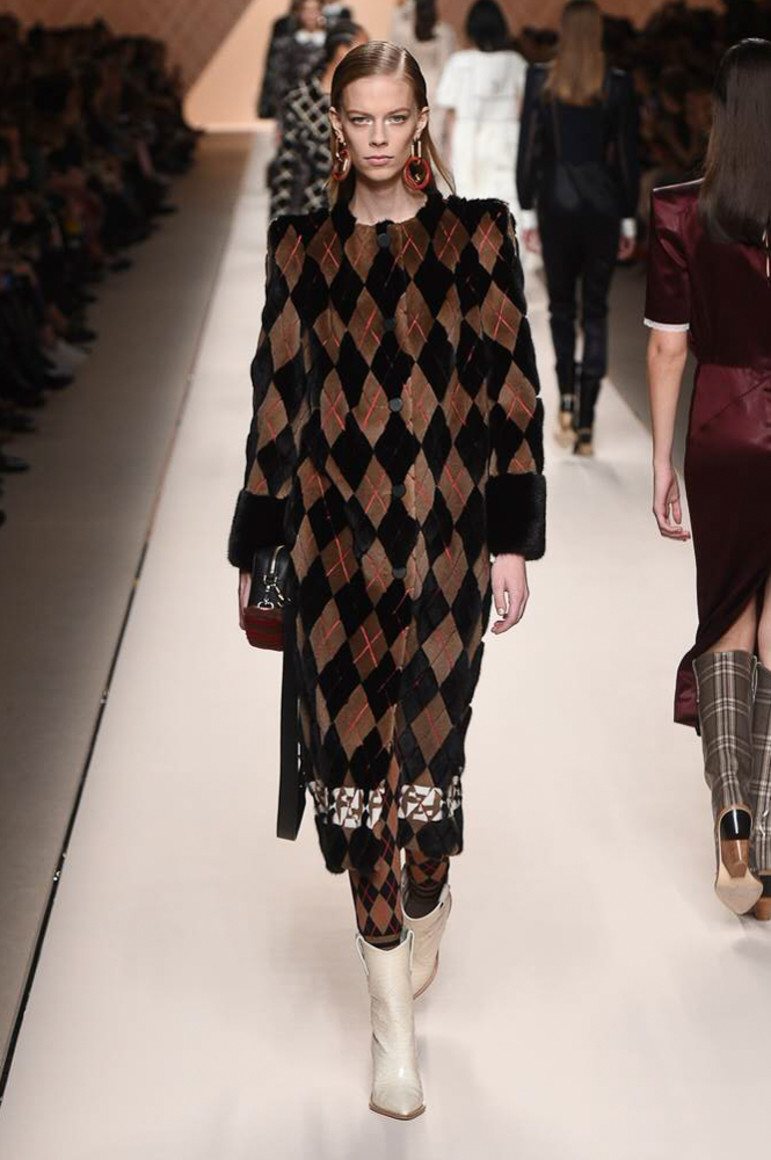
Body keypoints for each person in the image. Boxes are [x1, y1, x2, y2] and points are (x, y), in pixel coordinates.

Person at [228, 40, 545, 1120]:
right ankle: (392, 1036)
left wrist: (513, 539)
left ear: (419, 123)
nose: (374, 136)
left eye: (391, 118)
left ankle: (430, 893)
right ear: (337, 126)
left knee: (427, 780)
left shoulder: (476, 237)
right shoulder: (301, 248)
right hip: (335, 558)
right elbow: (276, 401)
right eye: (357, 118)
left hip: (448, 551)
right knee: (361, 787)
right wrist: (258, 544)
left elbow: (511, 393)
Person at [645, 38, 771, 921]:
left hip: (721, 422)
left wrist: (661, 459)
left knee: (726, 615)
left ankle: (730, 810)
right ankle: (767, 843)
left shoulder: (680, 209)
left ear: (718, 112)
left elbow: (666, 348)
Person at [516, 0, 639, 456]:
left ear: (565, 32)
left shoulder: (541, 80)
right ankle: (586, 423)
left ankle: (566, 402)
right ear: (598, 33)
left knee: (562, 308)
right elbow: (627, 156)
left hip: (555, 204)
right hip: (602, 206)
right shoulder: (617, 84)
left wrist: (527, 209)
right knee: (597, 311)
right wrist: (629, 216)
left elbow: (529, 148)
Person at [269, 21, 367, 218]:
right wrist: (279, 223)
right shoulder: (300, 100)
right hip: (311, 206)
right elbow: (286, 164)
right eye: (361, 48)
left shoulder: (368, 99)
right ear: (341, 49)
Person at [435, 0, 527, 208]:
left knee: (468, 206)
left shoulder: (458, 62)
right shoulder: (516, 62)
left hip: (467, 139)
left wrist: (447, 155)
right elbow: (523, 109)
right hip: (506, 137)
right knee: (506, 205)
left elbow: (450, 116)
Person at [390, 0, 456, 140]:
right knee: (434, 135)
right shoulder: (444, 31)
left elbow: (395, 57)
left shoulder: (403, 31)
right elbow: (446, 65)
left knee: (409, 132)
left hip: (409, 83)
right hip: (435, 87)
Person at [258, 0, 326, 121]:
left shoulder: (329, 43)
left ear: (321, 12)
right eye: (306, 10)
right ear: (299, 13)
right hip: (292, 106)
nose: (310, 15)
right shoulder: (287, 44)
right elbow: (277, 76)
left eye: (314, 10)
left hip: (322, 105)